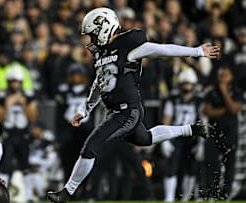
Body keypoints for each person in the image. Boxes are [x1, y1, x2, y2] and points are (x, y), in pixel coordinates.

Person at [46, 7, 220, 203]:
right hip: (117, 111)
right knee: (145, 138)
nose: (90, 41)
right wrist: (85, 109)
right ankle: (191, 129)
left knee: (90, 147)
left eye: (92, 35)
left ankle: (66, 193)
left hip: (127, 111)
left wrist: (197, 51)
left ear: (104, 29)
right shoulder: (100, 53)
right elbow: (99, 83)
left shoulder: (128, 44)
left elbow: (161, 50)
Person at [161, 68, 203, 202]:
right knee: (171, 167)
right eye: (184, 83)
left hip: (192, 137)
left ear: (194, 84)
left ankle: (186, 197)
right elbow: (167, 118)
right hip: (175, 136)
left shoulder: (199, 101)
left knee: (191, 169)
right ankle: (169, 197)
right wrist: (164, 140)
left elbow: (203, 121)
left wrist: (201, 142)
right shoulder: (173, 99)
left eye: (189, 83)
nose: (186, 86)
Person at [201, 65, 243, 200]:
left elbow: (235, 109)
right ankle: (210, 193)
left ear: (231, 77)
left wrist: (224, 92)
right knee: (211, 164)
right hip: (213, 134)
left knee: (230, 165)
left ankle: (225, 195)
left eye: (225, 75)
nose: (222, 78)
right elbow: (207, 111)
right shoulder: (211, 92)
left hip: (230, 134)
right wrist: (226, 111)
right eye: (221, 75)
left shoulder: (236, 92)